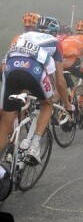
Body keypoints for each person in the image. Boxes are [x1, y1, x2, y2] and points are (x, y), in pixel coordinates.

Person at [0, 16, 72, 165]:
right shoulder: (56, 43)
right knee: (47, 103)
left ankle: (9, 148)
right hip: (34, 69)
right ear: (55, 32)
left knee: (6, 121)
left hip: (9, 67)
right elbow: (59, 80)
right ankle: (34, 146)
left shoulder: (22, 36)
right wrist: (66, 104)